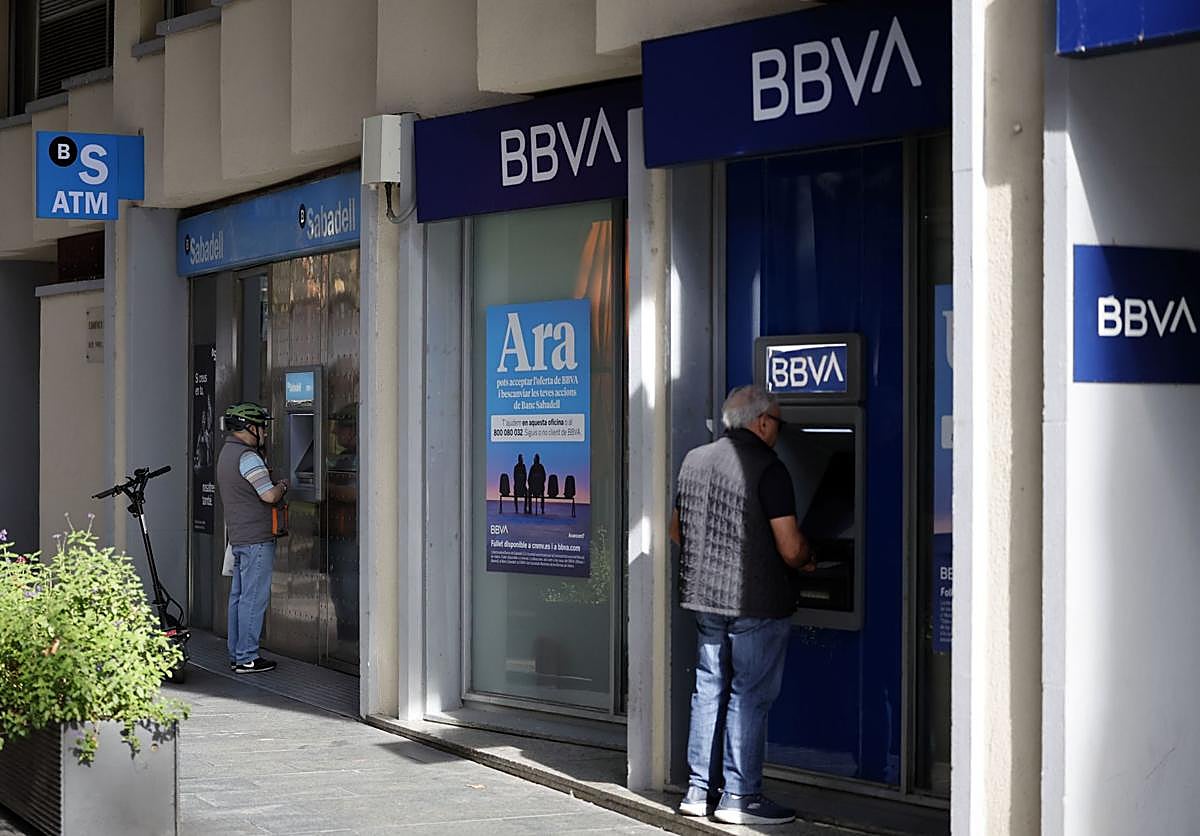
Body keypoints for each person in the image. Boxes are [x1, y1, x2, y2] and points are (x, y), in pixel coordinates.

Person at [670, 384, 815, 825]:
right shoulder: (770, 469)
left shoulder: (694, 460)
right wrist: (810, 560)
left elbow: (677, 530)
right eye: (779, 423)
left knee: (708, 689)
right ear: (763, 421)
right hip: (756, 601)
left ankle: (698, 792)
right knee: (749, 695)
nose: (779, 431)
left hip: (704, 597)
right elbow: (790, 548)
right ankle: (739, 796)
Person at [216, 402, 288, 674]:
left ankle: (237, 654)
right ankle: (247, 657)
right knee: (253, 598)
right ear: (249, 428)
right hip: (257, 538)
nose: (266, 433)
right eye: (262, 427)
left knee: (239, 596)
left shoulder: (227, 453)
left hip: (239, 536)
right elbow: (268, 495)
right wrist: (282, 485)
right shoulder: (248, 457)